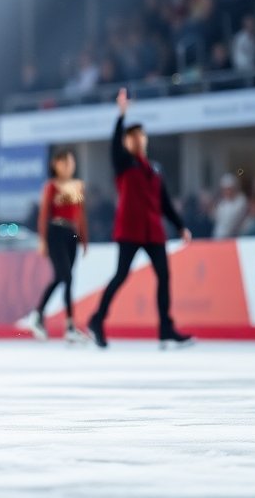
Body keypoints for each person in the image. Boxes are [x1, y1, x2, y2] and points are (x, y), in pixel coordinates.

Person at [87, 89, 194, 349]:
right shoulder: (124, 164)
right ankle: (97, 320)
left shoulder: (155, 169)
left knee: (164, 276)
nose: (137, 140)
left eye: (140, 136)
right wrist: (121, 116)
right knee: (121, 275)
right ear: (127, 141)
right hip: (130, 229)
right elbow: (114, 146)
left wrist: (180, 226)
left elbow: (164, 202)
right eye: (131, 137)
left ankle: (166, 328)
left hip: (153, 230)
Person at [18, 148, 90, 344]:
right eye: (64, 162)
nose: (68, 166)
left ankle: (39, 314)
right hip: (55, 232)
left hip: (71, 233)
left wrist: (84, 238)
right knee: (66, 277)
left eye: (70, 162)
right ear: (55, 165)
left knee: (62, 278)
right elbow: (44, 213)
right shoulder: (51, 186)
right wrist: (42, 240)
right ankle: (69, 326)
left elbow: (80, 214)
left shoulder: (76, 186)